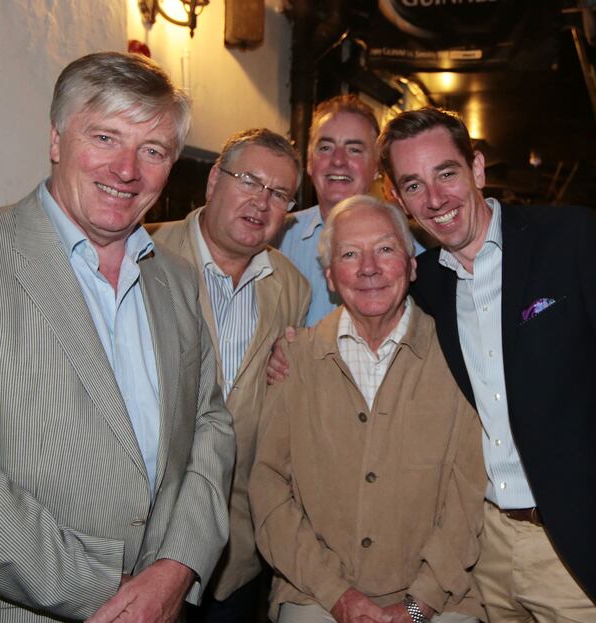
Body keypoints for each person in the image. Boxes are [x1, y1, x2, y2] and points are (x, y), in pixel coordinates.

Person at [0, 52, 235, 623]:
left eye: (152, 151)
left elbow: (210, 424)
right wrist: (113, 593)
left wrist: (179, 566)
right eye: (105, 137)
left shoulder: (175, 277)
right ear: (56, 140)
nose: (127, 169)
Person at [377, 106, 596, 622]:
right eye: (413, 185)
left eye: (447, 174)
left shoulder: (569, 239)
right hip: (483, 550)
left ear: (477, 169)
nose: (435, 199)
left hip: (576, 546)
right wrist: (291, 345)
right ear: (397, 196)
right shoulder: (426, 280)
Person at [250, 195, 486, 623]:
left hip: (440, 596)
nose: (369, 268)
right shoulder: (296, 359)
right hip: (314, 592)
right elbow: (267, 487)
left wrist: (417, 607)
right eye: (349, 254)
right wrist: (337, 595)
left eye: (385, 249)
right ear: (331, 279)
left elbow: (468, 496)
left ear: (412, 265)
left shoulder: (457, 355)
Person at [152, 128, 311, 623]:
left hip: (236, 549)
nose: (261, 202)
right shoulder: (144, 255)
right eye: (249, 180)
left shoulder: (291, 286)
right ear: (213, 180)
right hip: (145, 543)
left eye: (279, 193)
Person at [276, 95, 425, 327]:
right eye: (325, 147)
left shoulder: (413, 250)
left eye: (354, 150)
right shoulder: (277, 240)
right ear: (309, 162)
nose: (337, 160)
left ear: (377, 166)